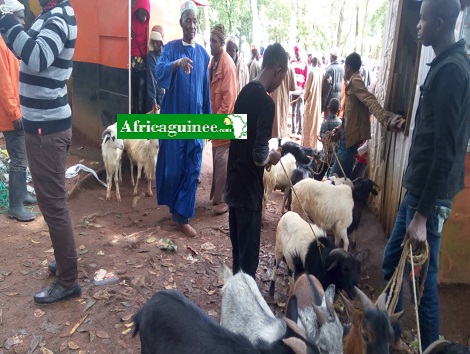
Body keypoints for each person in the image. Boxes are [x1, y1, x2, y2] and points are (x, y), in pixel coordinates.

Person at [382, 0, 470, 351]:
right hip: (418, 193)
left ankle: (430, 345)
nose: (417, 26)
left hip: (426, 203)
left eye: (421, 20)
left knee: (423, 284)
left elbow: (446, 151)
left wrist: (421, 216)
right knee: (392, 261)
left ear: (438, 23)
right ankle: (396, 337)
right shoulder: (446, 64)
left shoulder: (451, 71)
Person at [0, 0, 80, 304]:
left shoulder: (59, 17)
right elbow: (30, 47)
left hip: (47, 129)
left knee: (53, 204)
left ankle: (68, 279)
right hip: (42, 127)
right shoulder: (49, 14)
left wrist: (6, 23)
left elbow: (37, 56)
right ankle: (64, 263)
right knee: (51, 203)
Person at [225, 43, 287, 278]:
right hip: (249, 192)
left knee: (237, 255)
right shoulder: (266, 103)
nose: (281, 82)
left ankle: (235, 302)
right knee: (248, 264)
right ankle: (245, 309)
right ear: (278, 70)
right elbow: (259, 155)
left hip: (233, 186)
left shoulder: (244, 93)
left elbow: (240, 141)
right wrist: (272, 156)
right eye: (283, 77)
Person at [155, 0, 211, 237]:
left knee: (193, 166)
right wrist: (176, 65)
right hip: (173, 118)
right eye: (188, 20)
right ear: (181, 23)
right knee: (173, 168)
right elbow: (158, 73)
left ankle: (182, 216)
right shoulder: (170, 49)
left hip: (196, 120)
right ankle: (175, 207)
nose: (192, 25)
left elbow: (205, 89)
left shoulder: (203, 55)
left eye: (195, 21)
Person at [329, 52, 402, 178]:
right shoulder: (354, 81)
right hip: (348, 137)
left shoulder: (356, 81)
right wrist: (339, 130)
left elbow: (370, 101)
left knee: (333, 178)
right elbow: (352, 116)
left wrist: (387, 121)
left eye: (344, 68)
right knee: (342, 180)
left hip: (349, 140)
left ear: (348, 67)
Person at [0, 0, 36, 222]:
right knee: (19, 159)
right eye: (20, 17)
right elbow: (4, 86)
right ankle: (15, 205)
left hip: (15, 110)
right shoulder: (1, 46)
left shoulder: (9, 43)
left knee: (20, 155)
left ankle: (21, 193)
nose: (23, 22)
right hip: (10, 114)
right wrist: (15, 115)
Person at [208, 24, 237, 215]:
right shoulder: (214, 62)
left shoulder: (227, 65)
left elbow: (229, 101)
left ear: (222, 44)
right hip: (215, 121)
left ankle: (224, 200)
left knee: (223, 163)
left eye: (214, 42)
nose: (211, 44)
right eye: (210, 41)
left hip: (225, 123)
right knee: (218, 162)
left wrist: (215, 124)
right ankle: (217, 198)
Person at [131, 0, 150, 114]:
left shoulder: (147, 23)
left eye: (146, 14)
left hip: (143, 60)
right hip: (132, 60)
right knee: (134, 89)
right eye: (142, 14)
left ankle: (140, 114)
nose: (144, 17)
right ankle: (134, 112)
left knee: (141, 90)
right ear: (136, 12)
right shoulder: (131, 22)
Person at [270, 55, 296, 138]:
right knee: (282, 123)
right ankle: (280, 145)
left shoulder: (274, 67)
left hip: (273, 99)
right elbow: (293, 87)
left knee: (274, 124)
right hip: (284, 101)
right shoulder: (290, 69)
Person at [301, 55, 323, 149]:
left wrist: (304, 97)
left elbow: (306, 92)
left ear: (311, 62)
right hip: (317, 104)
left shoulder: (311, 72)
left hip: (310, 104)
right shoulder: (321, 72)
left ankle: (307, 148)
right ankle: (314, 146)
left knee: (308, 128)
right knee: (315, 127)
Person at [321, 47, 344, 118]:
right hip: (338, 101)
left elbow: (326, 88)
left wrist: (323, 105)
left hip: (329, 103)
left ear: (332, 57)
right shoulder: (342, 69)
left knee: (328, 123)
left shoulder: (330, 69)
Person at [146, 28, 164, 113]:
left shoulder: (166, 52)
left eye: (157, 41)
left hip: (164, 95)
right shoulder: (151, 56)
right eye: (153, 41)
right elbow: (151, 79)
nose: (155, 44)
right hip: (157, 97)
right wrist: (153, 101)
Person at [290, 46, 308, 135]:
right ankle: (293, 129)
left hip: (301, 91)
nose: (297, 55)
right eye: (296, 53)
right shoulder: (292, 62)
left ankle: (300, 130)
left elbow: (306, 78)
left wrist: (303, 91)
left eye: (298, 53)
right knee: (293, 110)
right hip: (293, 91)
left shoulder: (305, 63)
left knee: (300, 111)